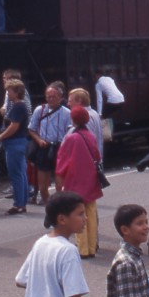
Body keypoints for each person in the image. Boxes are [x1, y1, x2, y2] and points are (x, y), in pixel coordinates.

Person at [54, 107, 104, 258]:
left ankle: (82, 249)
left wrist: (59, 178)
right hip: (91, 179)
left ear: (73, 120)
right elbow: (97, 155)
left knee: (77, 214)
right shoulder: (90, 135)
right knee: (90, 213)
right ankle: (91, 247)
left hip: (76, 179)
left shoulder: (71, 138)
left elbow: (62, 160)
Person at [29, 83, 73, 209]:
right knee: (43, 186)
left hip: (60, 148)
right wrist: (38, 140)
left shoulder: (67, 113)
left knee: (60, 185)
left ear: (60, 97)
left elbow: (70, 132)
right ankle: (50, 207)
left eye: (53, 96)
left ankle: (62, 207)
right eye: (48, 96)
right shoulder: (40, 110)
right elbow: (32, 129)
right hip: (44, 148)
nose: (50, 99)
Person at [0, 80, 32, 215]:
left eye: (9, 91)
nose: (7, 93)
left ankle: (18, 204)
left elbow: (14, 126)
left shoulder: (18, 107)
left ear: (16, 92)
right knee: (21, 173)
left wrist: (0, 137)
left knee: (15, 174)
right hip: (20, 142)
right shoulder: (19, 106)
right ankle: (22, 202)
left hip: (14, 143)